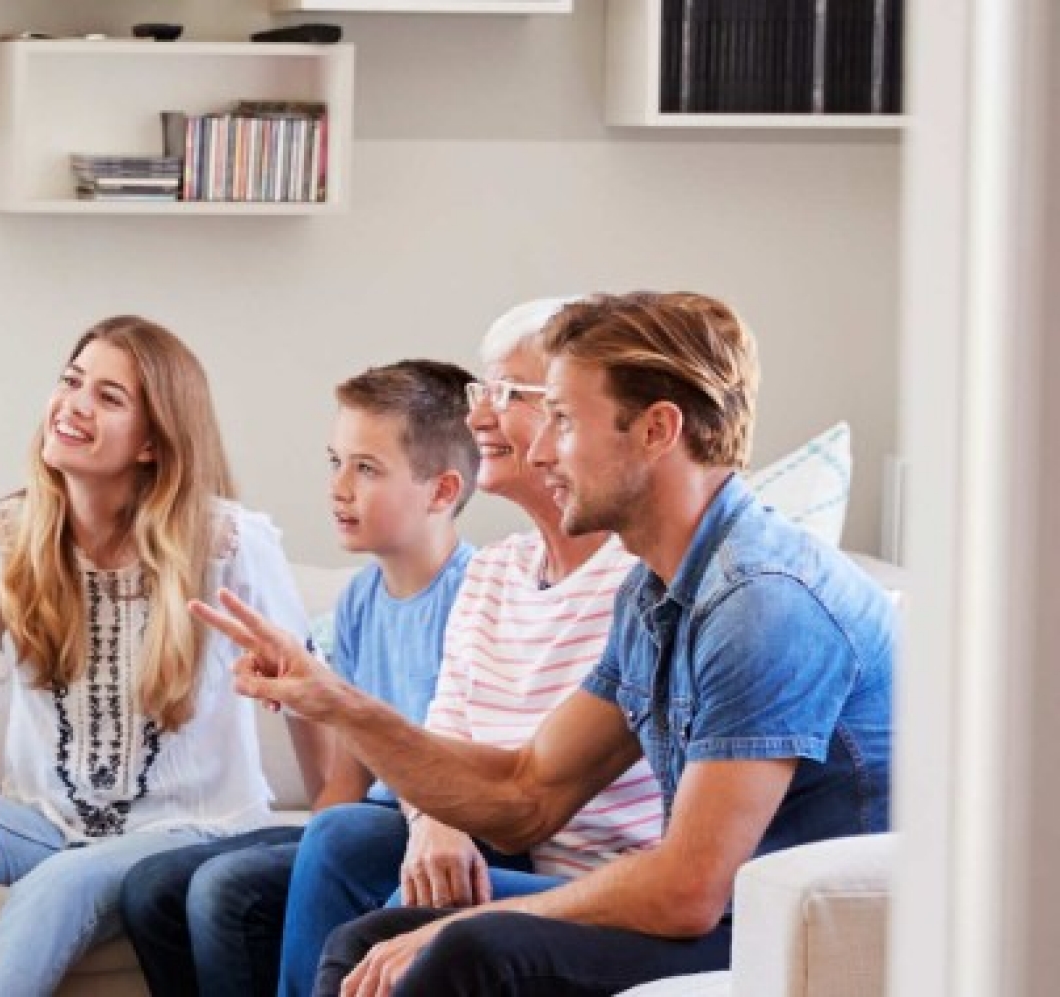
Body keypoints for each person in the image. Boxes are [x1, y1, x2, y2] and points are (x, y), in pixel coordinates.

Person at [207, 291, 894, 997]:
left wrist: (466, 920)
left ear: (657, 429)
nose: (540, 450)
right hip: (715, 910)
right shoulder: (655, 591)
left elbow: (689, 890)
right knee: (372, 939)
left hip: (780, 930)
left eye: (562, 421)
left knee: (467, 945)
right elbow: (527, 792)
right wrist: (335, 702)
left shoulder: (762, 601)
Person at [0, 317, 313, 997]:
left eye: (109, 397)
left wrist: (327, 844)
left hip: (193, 830)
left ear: (152, 441)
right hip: (49, 826)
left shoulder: (228, 542)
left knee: (62, 882)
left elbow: (312, 696)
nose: (73, 405)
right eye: (71, 381)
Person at [269, 301, 666, 997]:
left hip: (586, 874)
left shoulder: (641, 581)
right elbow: (445, 734)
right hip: (507, 842)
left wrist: (339, 708)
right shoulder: (495, 571)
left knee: (383, 909)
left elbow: (534, 791)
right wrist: (435, 818)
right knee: (332, 846)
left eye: (510, 394)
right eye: (484, 389)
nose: (477, 415)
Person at [120, 359, 486, 997]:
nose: (339, 488)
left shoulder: (477, 595)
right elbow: (345, 784)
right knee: (152, 889)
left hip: (434, 830)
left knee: (226, 891)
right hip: (364, 825)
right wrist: (306, 848)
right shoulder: (360, 600)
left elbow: (474, 774)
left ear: (441, 491)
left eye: (366, 469)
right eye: (335, 462)